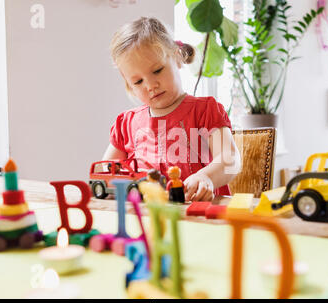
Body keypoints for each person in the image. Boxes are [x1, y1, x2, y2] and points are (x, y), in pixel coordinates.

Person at [103, 17, 241, 202]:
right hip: (146, 219)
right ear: (129, 84)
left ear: (177, 57)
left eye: (158, 70)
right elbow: (106, 171)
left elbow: (230, 160)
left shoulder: (206, 110)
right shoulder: (125, 124)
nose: (151, 85)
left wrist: (206, 176)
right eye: (138, 81)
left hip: (197, 216)